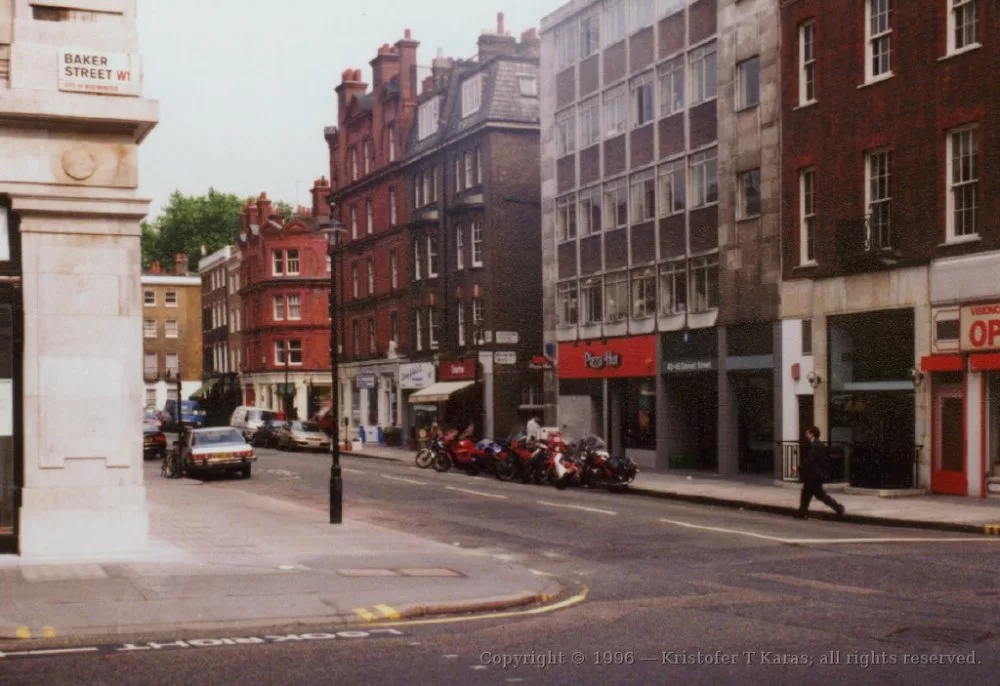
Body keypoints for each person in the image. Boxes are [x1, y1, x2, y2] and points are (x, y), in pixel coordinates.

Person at [797, 426, 845, 520]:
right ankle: (802, 512)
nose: (806, 435)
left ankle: (838, 508)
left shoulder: (815, 445)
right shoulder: (817, 444)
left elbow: (810, 460)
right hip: (815, 474)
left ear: (812, 434)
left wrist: (799, 467)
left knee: (815, 495)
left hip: (814, 475)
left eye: (807, 433)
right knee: (811, 494)